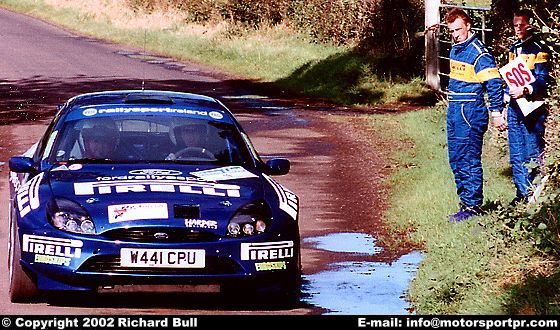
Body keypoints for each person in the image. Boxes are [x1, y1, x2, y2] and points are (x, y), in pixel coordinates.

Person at [445, 8, 506, 222]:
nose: (455, 34)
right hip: (454, 109)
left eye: (458, 29)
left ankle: (473, 207)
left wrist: (496, 112)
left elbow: (495, 84)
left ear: (469, 26)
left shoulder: (480, 53)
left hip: (470, 111)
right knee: (455, 158)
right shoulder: (456, 49)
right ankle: (464, 202)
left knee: (468, 157)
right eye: (451, 31)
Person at [505, 9, 552, 205]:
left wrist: (526, 89)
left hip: (533, 107)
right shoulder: (513, 48)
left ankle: (535, 195)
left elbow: (543, 79)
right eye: (515, 25)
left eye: (521, 25)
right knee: (516, 151)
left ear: (530, 25)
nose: (518, 29)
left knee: (533, 149)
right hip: (515, 107)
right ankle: (521, 193)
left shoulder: (539, 49)